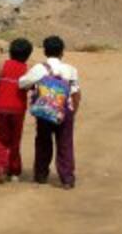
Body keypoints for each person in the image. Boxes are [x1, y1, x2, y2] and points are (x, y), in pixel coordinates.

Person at [18, 34, 82, 187]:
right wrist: (73, 112)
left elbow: (21, 83)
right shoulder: (71, 70)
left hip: (44, 110)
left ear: (45, 52)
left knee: (43, 143)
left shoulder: (39, 68)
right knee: (65, 144)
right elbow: (76, 93)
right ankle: (67, 179)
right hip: (65, 111)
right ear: (62, 52)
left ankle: (41, 175)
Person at [0, 37, 35, 182]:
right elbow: (32, 86)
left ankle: (1, 168)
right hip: (18, 110)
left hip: (1, 109)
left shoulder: (0, 66)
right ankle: (15, 172)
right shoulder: (26, 70)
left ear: (10, 52)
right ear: (28, 55)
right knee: (15, 141)